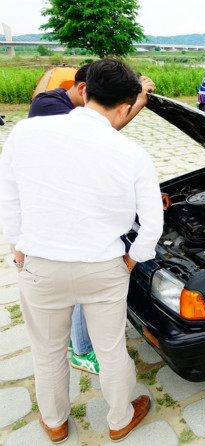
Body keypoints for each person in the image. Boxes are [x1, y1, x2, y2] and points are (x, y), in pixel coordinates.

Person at [0, 57, 163, 444]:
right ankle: (120, 418)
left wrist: (18, 250)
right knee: (109, 350)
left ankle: (55, 423)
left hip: (40, 266)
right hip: (103, 267)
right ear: (126, 106)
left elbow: (8, 199)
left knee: (48, 352)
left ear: (85, 90)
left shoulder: (25, 133)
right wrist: (130, 259)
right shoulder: (132, 154)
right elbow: (153, 224)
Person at [27, 64, 156, 376]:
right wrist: (130, 260)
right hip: (62, 225)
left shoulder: (66, 109)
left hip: (62, 215)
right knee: (79, 284)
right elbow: (103, 135)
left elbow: (101, 137)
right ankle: (83, 350)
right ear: (83, 89)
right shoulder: (50, 107)